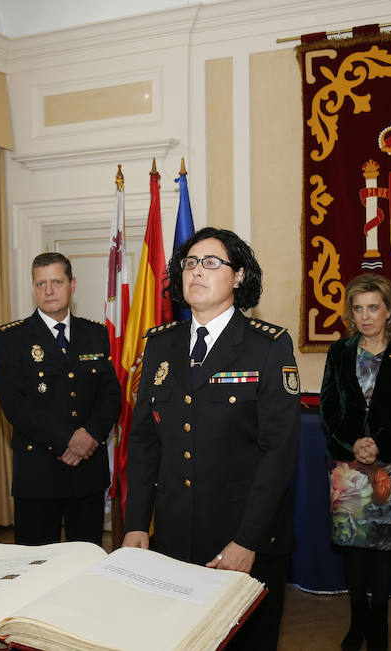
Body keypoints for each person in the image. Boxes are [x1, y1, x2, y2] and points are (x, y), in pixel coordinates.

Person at [123, 227, 300, 650]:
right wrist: (136, 524)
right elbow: (145, 442)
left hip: (242, 538)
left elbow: (278, 453)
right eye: (190, 263)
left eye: (211, 263)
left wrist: (247, 540)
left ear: (238, 276)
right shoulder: (160, 344)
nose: (196, 271)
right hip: (173, 538)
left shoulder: (267, 346)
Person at [319, 273, 391, 651]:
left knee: (382, 546)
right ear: (351, 313)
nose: (365, 316)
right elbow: (329, 407)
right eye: (358, 308)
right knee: (352, 546)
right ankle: (357, 621)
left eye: (373, 308)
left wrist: (377, 446)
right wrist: (354, 444)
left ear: (388, 310)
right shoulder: (339, 351)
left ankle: (379, 624)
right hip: (347, 466)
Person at [0, 252, 121, 546]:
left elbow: (110, 394)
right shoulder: (12, 339)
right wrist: (66, 440)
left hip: (87, 471)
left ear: (72, 284)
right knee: (36, 563)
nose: (48, 291)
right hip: (38, 473)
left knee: (86, 559)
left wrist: (89, 437)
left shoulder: (95, 333)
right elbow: (15, 405)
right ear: (34, 288)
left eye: (57, 282)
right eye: (41, 284)